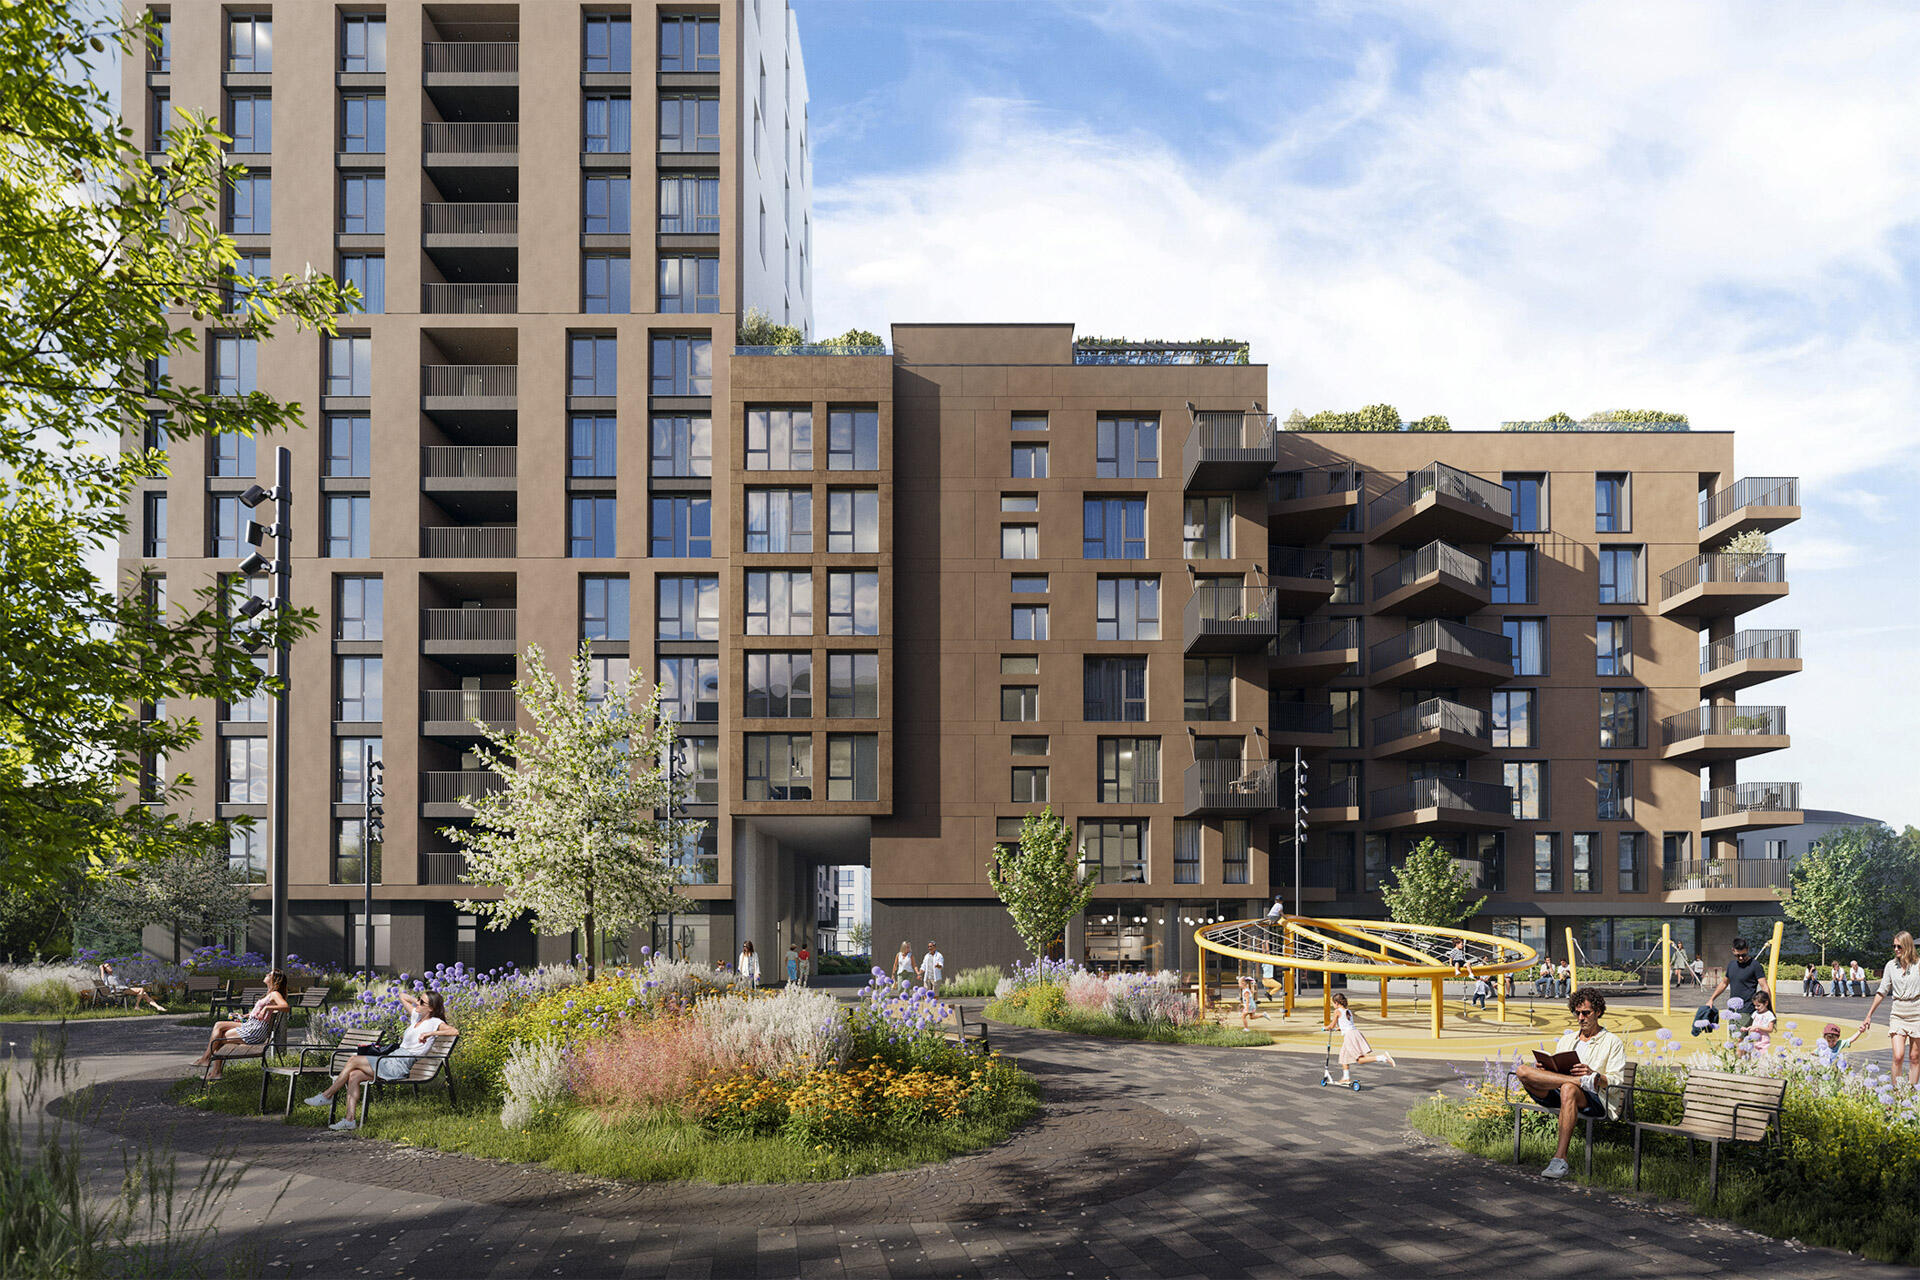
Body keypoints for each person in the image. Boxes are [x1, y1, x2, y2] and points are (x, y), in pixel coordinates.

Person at [1513, 989, 1627, 1180]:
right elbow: (1557, 1070)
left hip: (1595, 1098)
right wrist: (1546, 1070)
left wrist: (1595, 1075)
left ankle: (1560, 1159)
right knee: (1522, 1071)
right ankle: (1575, 1081)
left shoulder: (1612, 1042)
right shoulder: (1567, 1040)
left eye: (1586, 1013)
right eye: (1577, 1013)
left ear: (1598, 1011)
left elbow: (1617, 1081)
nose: (1580, 1018)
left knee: (1568, 1088)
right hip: (1562, 1092)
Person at [307, 990, 458, 1132]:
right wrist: (419, 1002)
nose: (417, 1003)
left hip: (400, 1064)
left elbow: (454, 1031)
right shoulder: (416, 1017)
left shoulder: (434, 1021)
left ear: (431, 1008)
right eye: (418, 999)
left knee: (353, 1060)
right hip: (393, 1059)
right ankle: (350, 1120)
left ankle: (327, 1095)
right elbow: (402, 995)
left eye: (422, 1002)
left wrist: (430, 1033)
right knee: (354, 1075)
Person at [189, 970, 289, 1080]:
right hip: (252, 1025)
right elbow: (259, 1013)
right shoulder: (269, 994)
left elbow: (285, 1006)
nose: (266, 975)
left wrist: (266, 1008)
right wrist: (244, 1015)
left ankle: (209, 1063)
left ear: (275, 981)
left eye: (269, 975)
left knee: (219, 1035)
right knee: (219, 1027)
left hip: (255, 1030)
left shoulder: (275, 994)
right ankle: (212, 1067)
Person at [1857, 930, 1920, 1088]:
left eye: (1899, 946)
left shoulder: (1919, 965)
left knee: (1914, 1057)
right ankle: (1897, 1094)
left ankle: (1910, 1095)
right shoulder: (1891, 966)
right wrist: (1868, 1015)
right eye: (1894, 946)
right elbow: (1882, 991)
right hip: (1898, 1013)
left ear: (1908, 946)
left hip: (1917, 1013)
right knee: (1898, 1056)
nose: (1896, 949)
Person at [1326, 991, 1395, 1086]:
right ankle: (1346, 1077)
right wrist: (1338, 1029)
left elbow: (1332, 1024)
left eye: (1333, 1003)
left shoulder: (1337, 1011)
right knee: (1344, 1056)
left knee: (1359, 1059)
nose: (1333, 1005)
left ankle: (1382, 1057)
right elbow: (1347, 1024)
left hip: (1350, 1036)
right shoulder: (1348, 1011)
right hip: (1355, 1033)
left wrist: (1326, 1028)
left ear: (1337, 1003)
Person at [1705, 936, 1767, 1033]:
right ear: (1733, 950)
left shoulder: (1755, 965)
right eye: (1738, 955)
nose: (1741, 958)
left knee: (1740, 1039)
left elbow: (1764, 986)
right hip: (1732, 1011)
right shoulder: (1731, 965)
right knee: (1734, 1039)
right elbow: (1724, 983)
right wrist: (1711, 999)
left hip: (1747, 1010)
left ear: (1747, 949)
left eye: (1744, 954)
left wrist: (1767, 1006)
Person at [98, 960, 166, 1013]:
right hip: (118, 990)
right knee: (141, 989)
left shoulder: (114, 975)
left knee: (144, 994)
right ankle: (136, 1006)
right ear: (105, 970)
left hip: (124, 988)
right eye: (107, 966)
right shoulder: (106, 976)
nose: (109, 967)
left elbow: (123, 983)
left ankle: (157, 1007)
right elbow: (102, 978)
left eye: (109, 965)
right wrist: (101, 968)